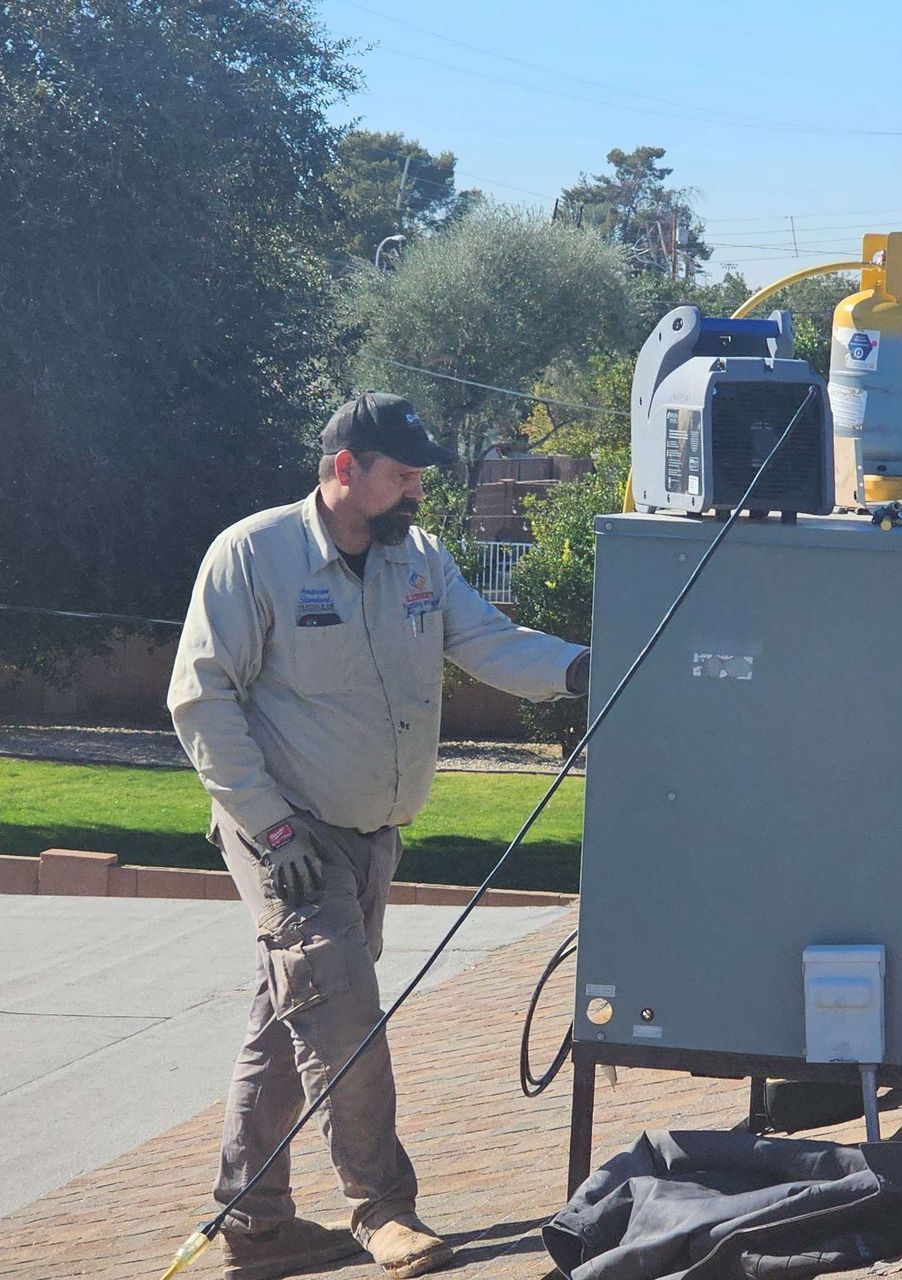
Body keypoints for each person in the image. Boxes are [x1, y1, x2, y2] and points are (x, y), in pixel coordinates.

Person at [168, 392, 589, 1280]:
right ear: (344, 469)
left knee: (288, 1021)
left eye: (421, 479)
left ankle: (256, 1226)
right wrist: (273, 829)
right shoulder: (254, 555)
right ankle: (383, 1209)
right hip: (285, 833)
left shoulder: (419, 559)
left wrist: (580, 669)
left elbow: (485, 640)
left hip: (371, 835)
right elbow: (201, 700)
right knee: (345, 1013)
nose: (417, 495)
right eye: (401, 477)